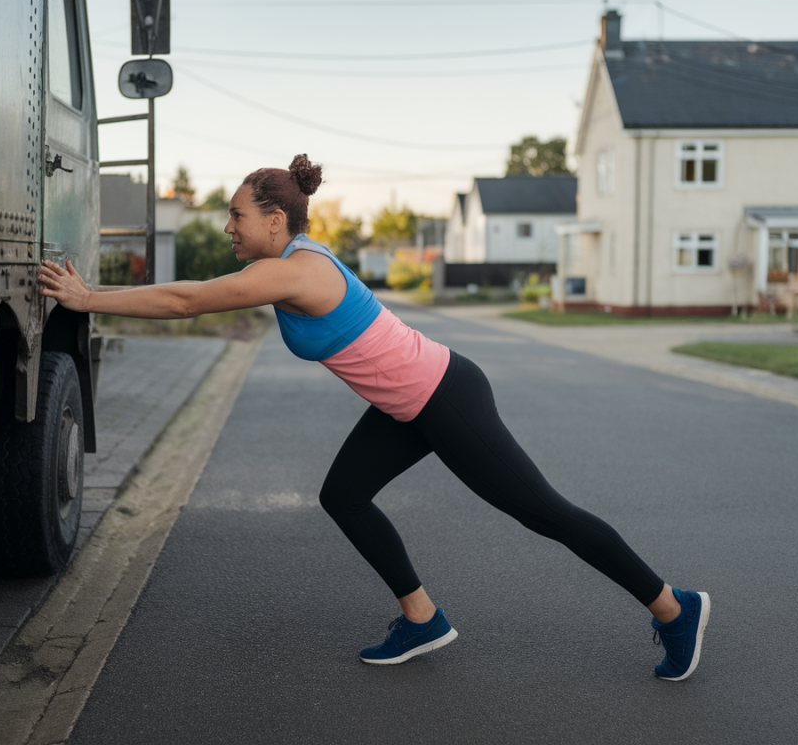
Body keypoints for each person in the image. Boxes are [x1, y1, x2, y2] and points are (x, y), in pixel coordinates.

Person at [39, 154, 709, 677]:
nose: (228, 226)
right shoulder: (294, 259)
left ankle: (673, 607)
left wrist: (89, 298)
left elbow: (188, 301)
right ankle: (421, 617)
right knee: (344, 495)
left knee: (545, 513)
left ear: (276, 219)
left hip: (446, 398)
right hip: (410, 403)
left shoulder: (296, 272)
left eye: (237, 215)